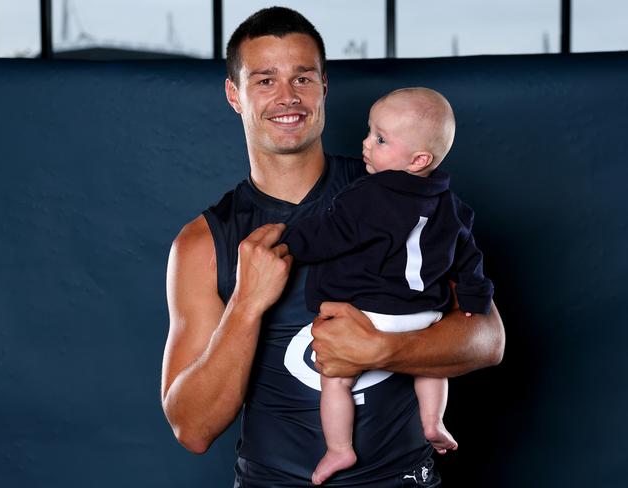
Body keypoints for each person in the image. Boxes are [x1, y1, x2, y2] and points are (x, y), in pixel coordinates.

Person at [160, 7, 504, 487]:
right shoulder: (204, 241)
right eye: (264, 81)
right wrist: (245, 305)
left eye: (302, 78)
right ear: (234, 95)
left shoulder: (400, 192)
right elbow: (192, 429)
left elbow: (488, 340)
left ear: (324, 86)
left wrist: (382, 348)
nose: (287, 97)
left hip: (399, 478)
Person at [280, 87, 494, 485]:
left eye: (380, 139)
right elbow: (470, 263)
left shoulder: (368, 194)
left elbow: (330, 233)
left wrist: (289, 241)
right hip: (425, 317)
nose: (366, 143)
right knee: (430, 368)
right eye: (369, 132)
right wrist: (473, 301)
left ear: (418, 160)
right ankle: (433, 422)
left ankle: (339, 449)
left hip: (370, 315)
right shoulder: (455, 207)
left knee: (336, 380)